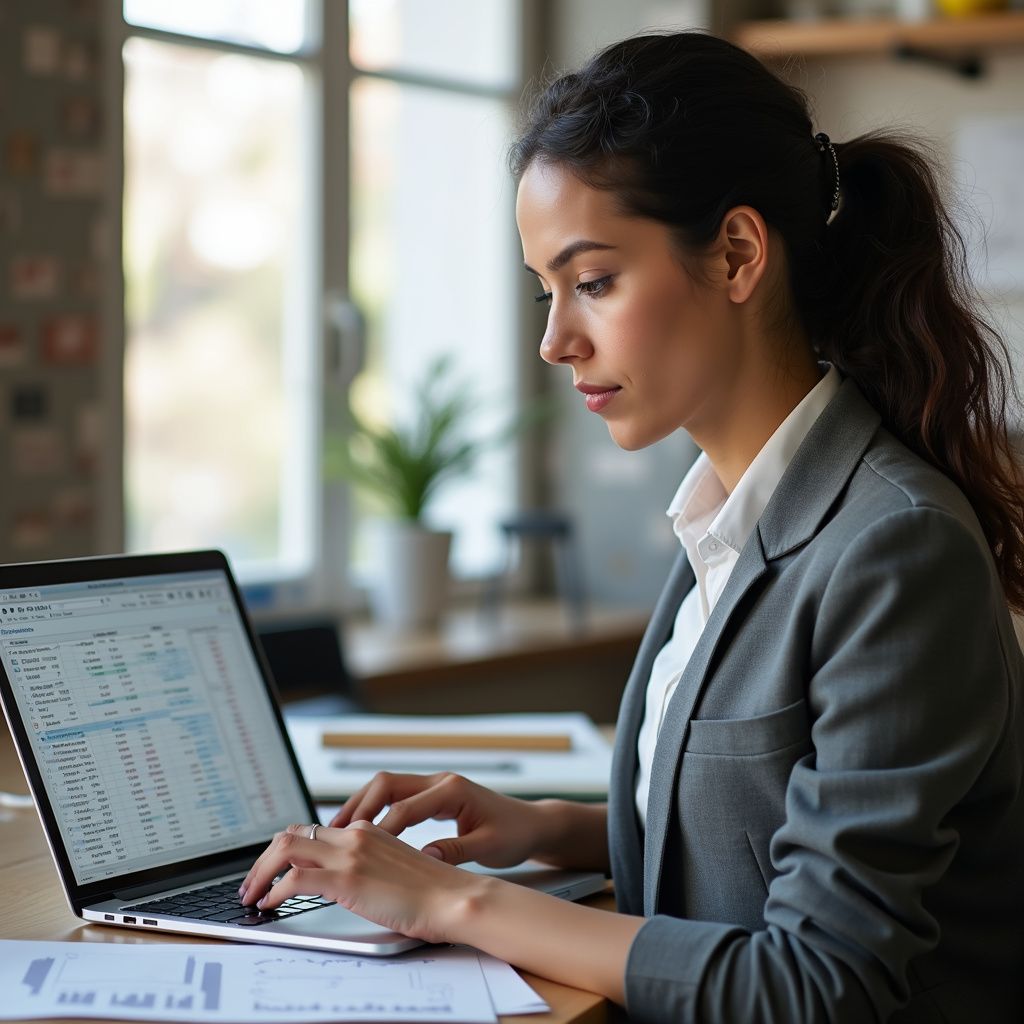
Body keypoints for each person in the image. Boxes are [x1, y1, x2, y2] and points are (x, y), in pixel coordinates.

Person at [239, 31, 1024, 1022]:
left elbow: (822, 982)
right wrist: (543, 827)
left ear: (736, 254)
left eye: (593, 280)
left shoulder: (891, 545)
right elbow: (763, 833)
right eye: (545, 289)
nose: (554, 340)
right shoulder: (725, 513)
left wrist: (451, 898)